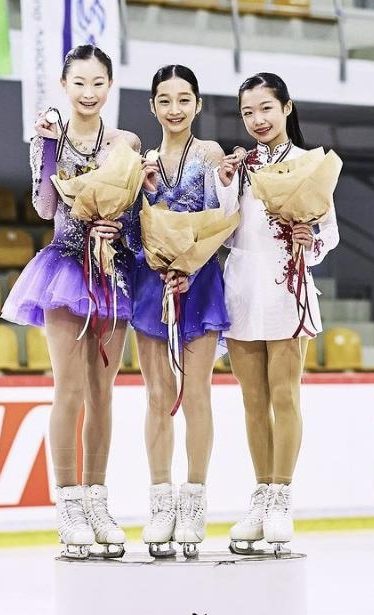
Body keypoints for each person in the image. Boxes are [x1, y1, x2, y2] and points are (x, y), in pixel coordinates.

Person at [1, 44, 141, 559]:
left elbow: (133, 214)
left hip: (113, 272)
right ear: (64, 85)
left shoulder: (125, 141)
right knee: (69, 389)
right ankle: (68, 502)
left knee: (103, 392)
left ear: (110, 86)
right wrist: (50, 149)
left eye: (98, 83)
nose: (89, 93)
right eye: (79, 83)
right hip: (64, 267)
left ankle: (98, 498)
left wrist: (115, 225)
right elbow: (44, 206)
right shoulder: (48, 136)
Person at [215, 72, 340, 553]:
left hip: (287, 284)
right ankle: (261, 494)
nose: (257, 119)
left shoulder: (311, 165)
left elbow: (329, 232)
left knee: (284, 395)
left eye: (266, 108)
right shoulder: (239, 167)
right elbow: (225, 233)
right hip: (243, 287)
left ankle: (282, 496)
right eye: (248, 112)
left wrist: (312, 242)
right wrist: (226, 187)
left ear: (287, 108)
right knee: (251, 401)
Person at [129, 65, 231, 558]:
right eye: (165, 100)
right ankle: (160, 501)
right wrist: (142, 191)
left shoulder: (209, 154)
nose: (175, 109)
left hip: (202, 278)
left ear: (198, 105)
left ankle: (194, 500)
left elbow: (220, 222)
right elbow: (134, 233)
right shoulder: (141, 160)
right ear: (152, 106)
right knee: (156, 396)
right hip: (153, 284)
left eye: (184, 99)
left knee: (197, 395)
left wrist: (192, 265)